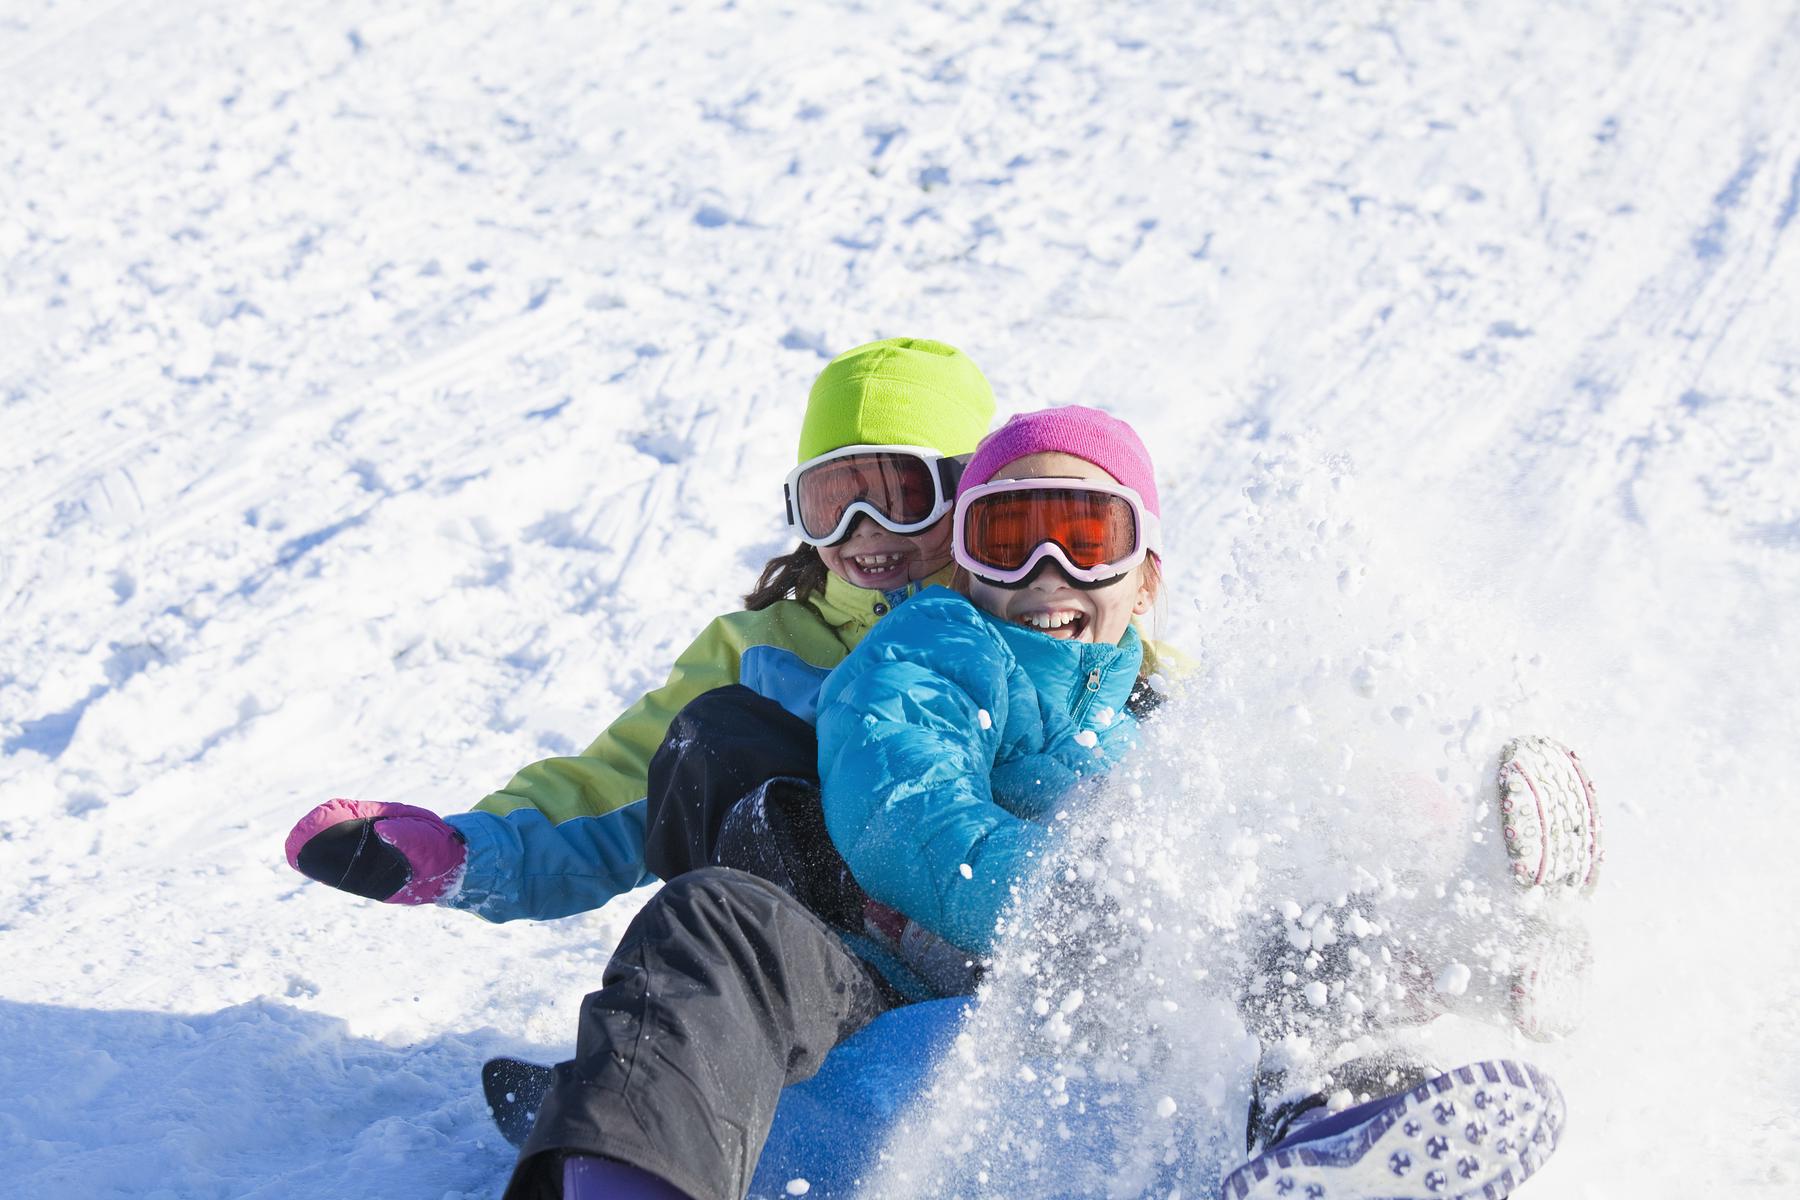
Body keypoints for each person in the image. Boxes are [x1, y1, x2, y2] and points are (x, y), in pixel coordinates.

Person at [504, 406, 1586, 1200]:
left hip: (1127, 993)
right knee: (714, 923)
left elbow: (1269, 831)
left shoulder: (1170, 716)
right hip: (897, 972)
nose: (1050, 573)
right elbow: (905, 812)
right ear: (967, 564)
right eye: (1010, 541)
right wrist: (1083, 906)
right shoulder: (931, 649)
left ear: (1147, 576)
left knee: (1274, 920)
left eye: (1088, 539)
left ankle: (1384, 1062)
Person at [283, 336, 996, 920]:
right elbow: (626, 780)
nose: (862, 530)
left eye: (902, 495)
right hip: (808, 956)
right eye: (830, 502)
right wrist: (469, 851)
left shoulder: (1019, 625)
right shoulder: (761, 651)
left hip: (973, 950)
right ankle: (640, 1066)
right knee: (715, 738)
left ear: (970, 490)